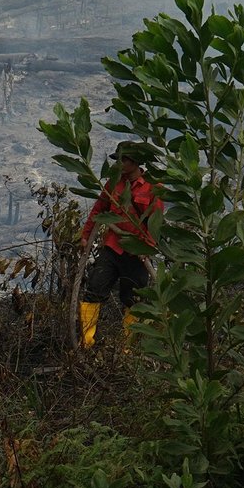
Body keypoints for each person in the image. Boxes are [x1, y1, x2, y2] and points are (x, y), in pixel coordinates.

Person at [79, 142, 162, 348]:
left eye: (123, 160)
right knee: (94, 289)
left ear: (135, 162)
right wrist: (86, 235)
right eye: (118, 160)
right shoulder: (113, 183)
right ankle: (87, 342)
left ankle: (126, 349)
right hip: (112, 247)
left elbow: (156, 221)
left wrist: (147, 247)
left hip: (136, 254)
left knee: (132, 299)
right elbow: (99, 208)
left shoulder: (153, 187)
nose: (119, 164)